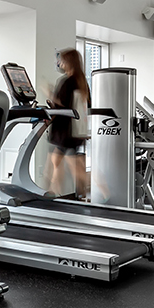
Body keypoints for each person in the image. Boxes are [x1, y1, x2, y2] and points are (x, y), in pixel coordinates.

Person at [45, 49, 90, 199]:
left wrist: (50, 94)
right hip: (75, 131)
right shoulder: (82, 81)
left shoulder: (67, 81)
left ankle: (102, 190)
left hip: (64, 131)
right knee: (57, 162)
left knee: (64, 165)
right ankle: (54, 192)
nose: (60, 63)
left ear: (69, 62)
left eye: (62, 61)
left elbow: (62, 105)